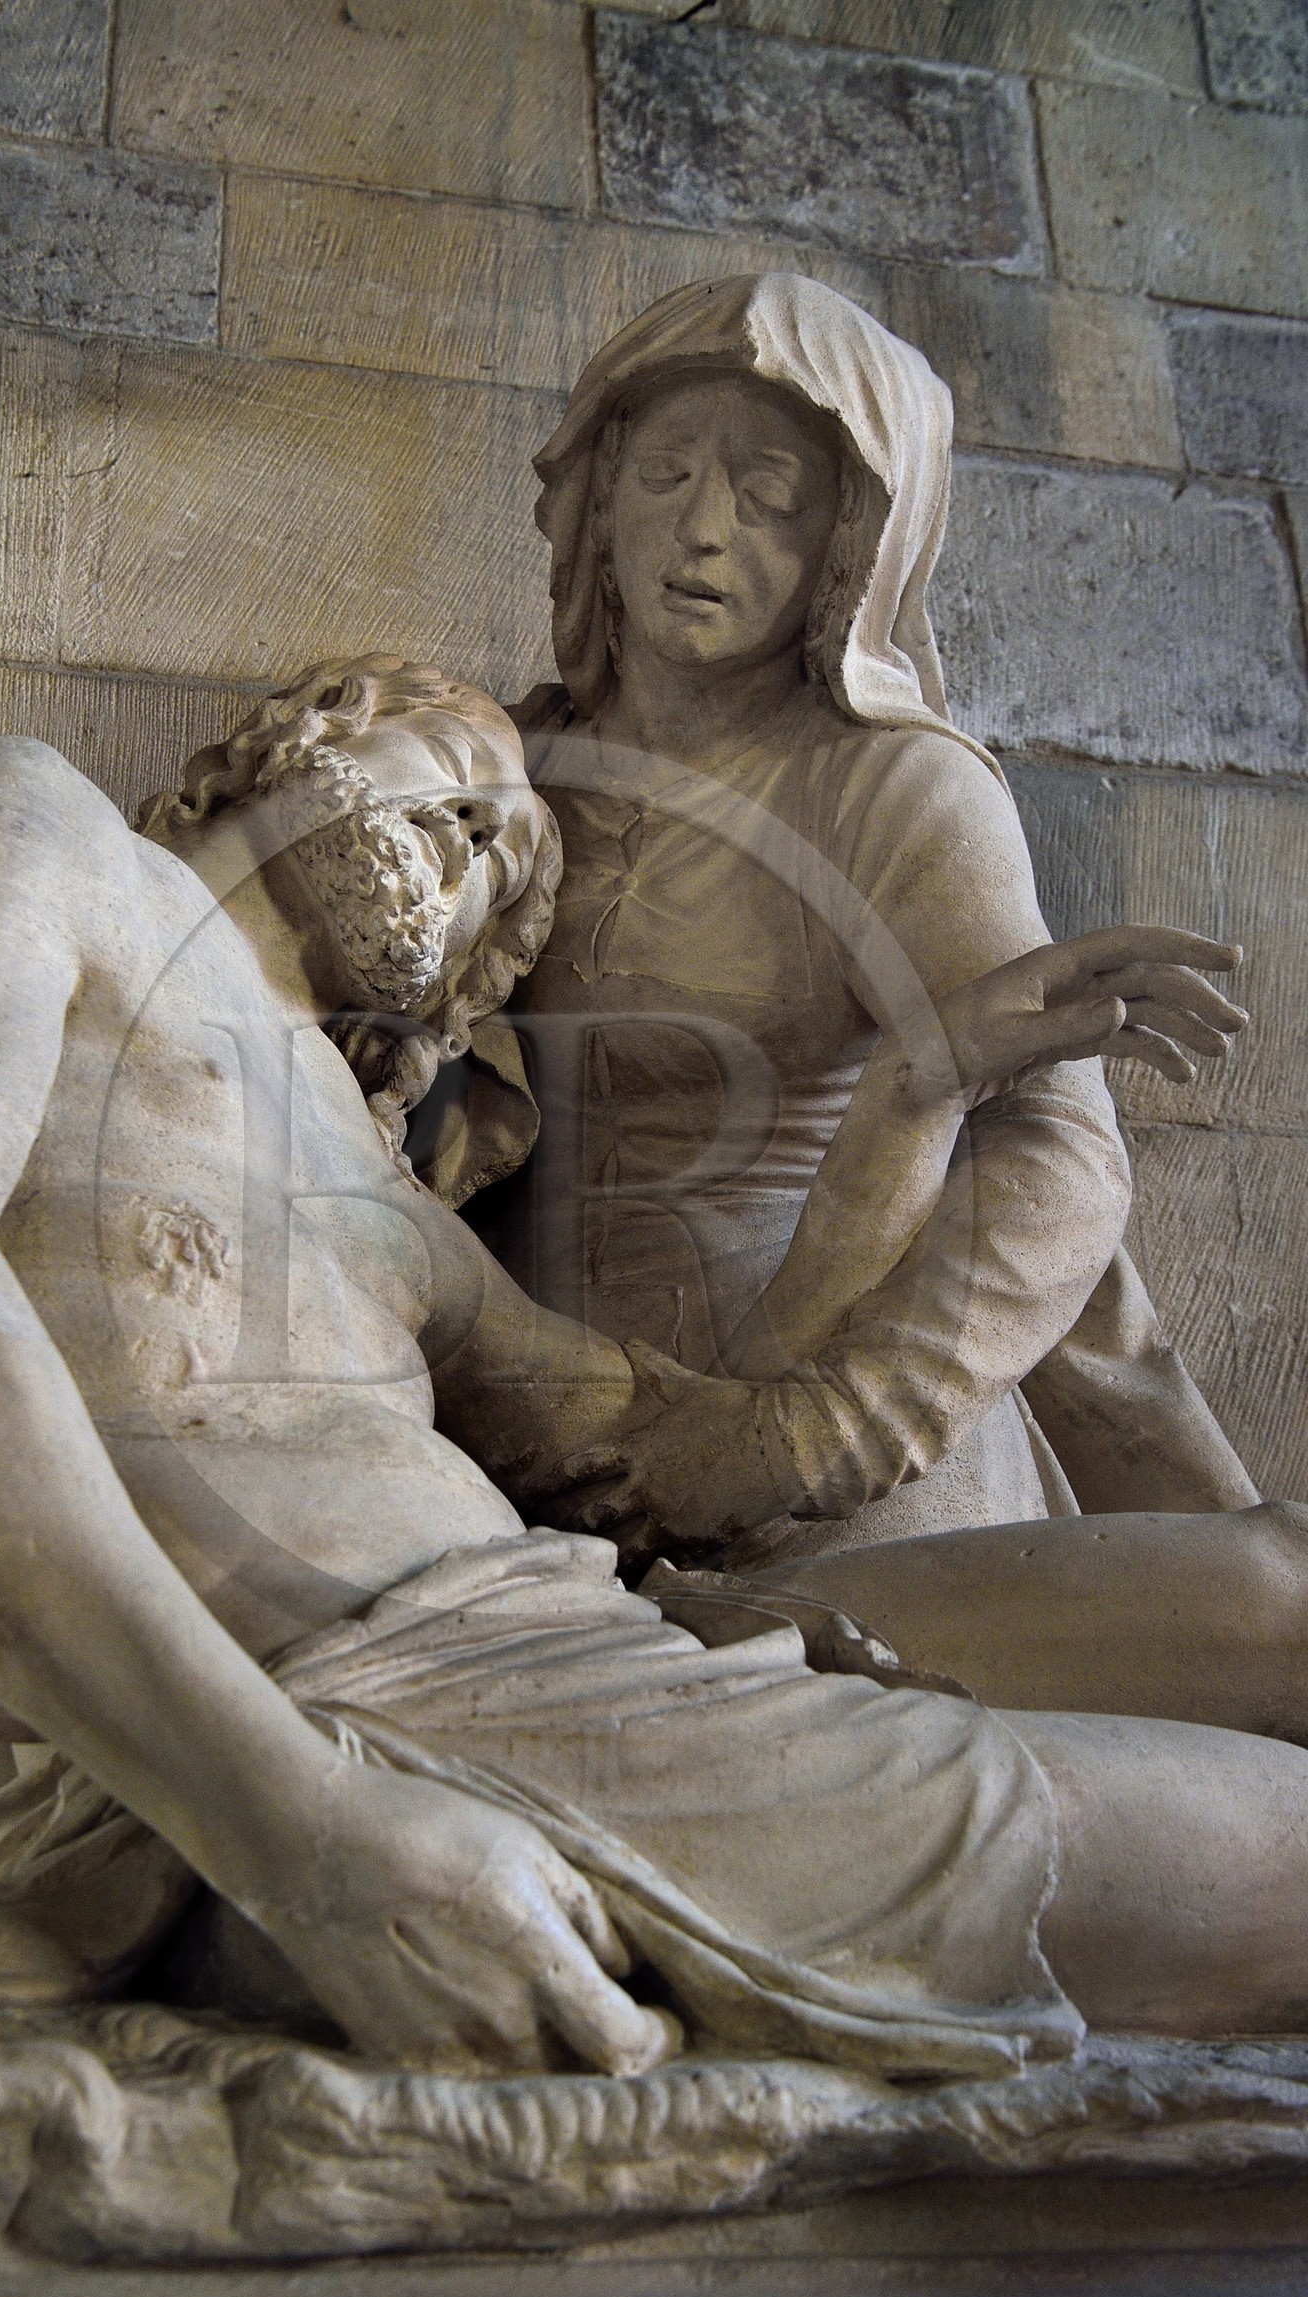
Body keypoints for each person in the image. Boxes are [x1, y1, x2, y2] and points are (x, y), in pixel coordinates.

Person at [0, 655, 1305, 2077]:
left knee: (1281, 1587)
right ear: (295, 736)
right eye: (455, 766)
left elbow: (708, 1460)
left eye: (510, 866)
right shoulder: (37, 835)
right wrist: (303, 1832)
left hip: (592, 1642)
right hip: (372, 1711)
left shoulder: (391, 1206)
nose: (485, 834)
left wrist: (910, 1101)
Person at [474, 271, 1256, 1567]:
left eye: (769, 497)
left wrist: (822, 1429)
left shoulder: (895, 788)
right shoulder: (504, 764)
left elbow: (1052, 1154)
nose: (703, 531)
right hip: (528, 1416)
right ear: (599, 498)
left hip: (823, 1421)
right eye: (666, 475)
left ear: (852, 542)